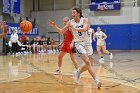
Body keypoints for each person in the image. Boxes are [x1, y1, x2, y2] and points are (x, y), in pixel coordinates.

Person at [48, 7, 102, 89]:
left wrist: (75, 28)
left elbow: (84, 29)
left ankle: (78, 72)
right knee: (87, 62)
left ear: (78, 13)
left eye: (74, 13)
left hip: (87, 43)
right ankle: (97, 80)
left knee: (89, 64)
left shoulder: (84, 20)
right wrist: (54, 26)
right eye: (72, 13)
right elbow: (62, 31)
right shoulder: (70, 22)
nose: (72, 14)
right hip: (78, 43)